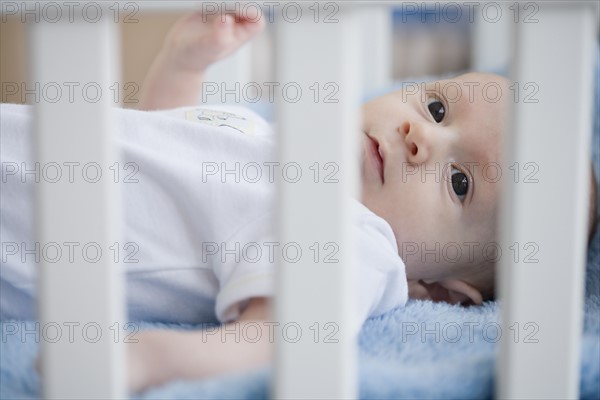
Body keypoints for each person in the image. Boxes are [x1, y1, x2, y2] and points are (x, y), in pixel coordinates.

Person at [0, 10, 596, 393]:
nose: (422, 139)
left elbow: (279, 335)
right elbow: (164, 150)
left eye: (460, 181)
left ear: (439, 292)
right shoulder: (278, 135)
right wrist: (185, 63)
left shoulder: (352, 240)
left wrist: (150, 360)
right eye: (437, 110)